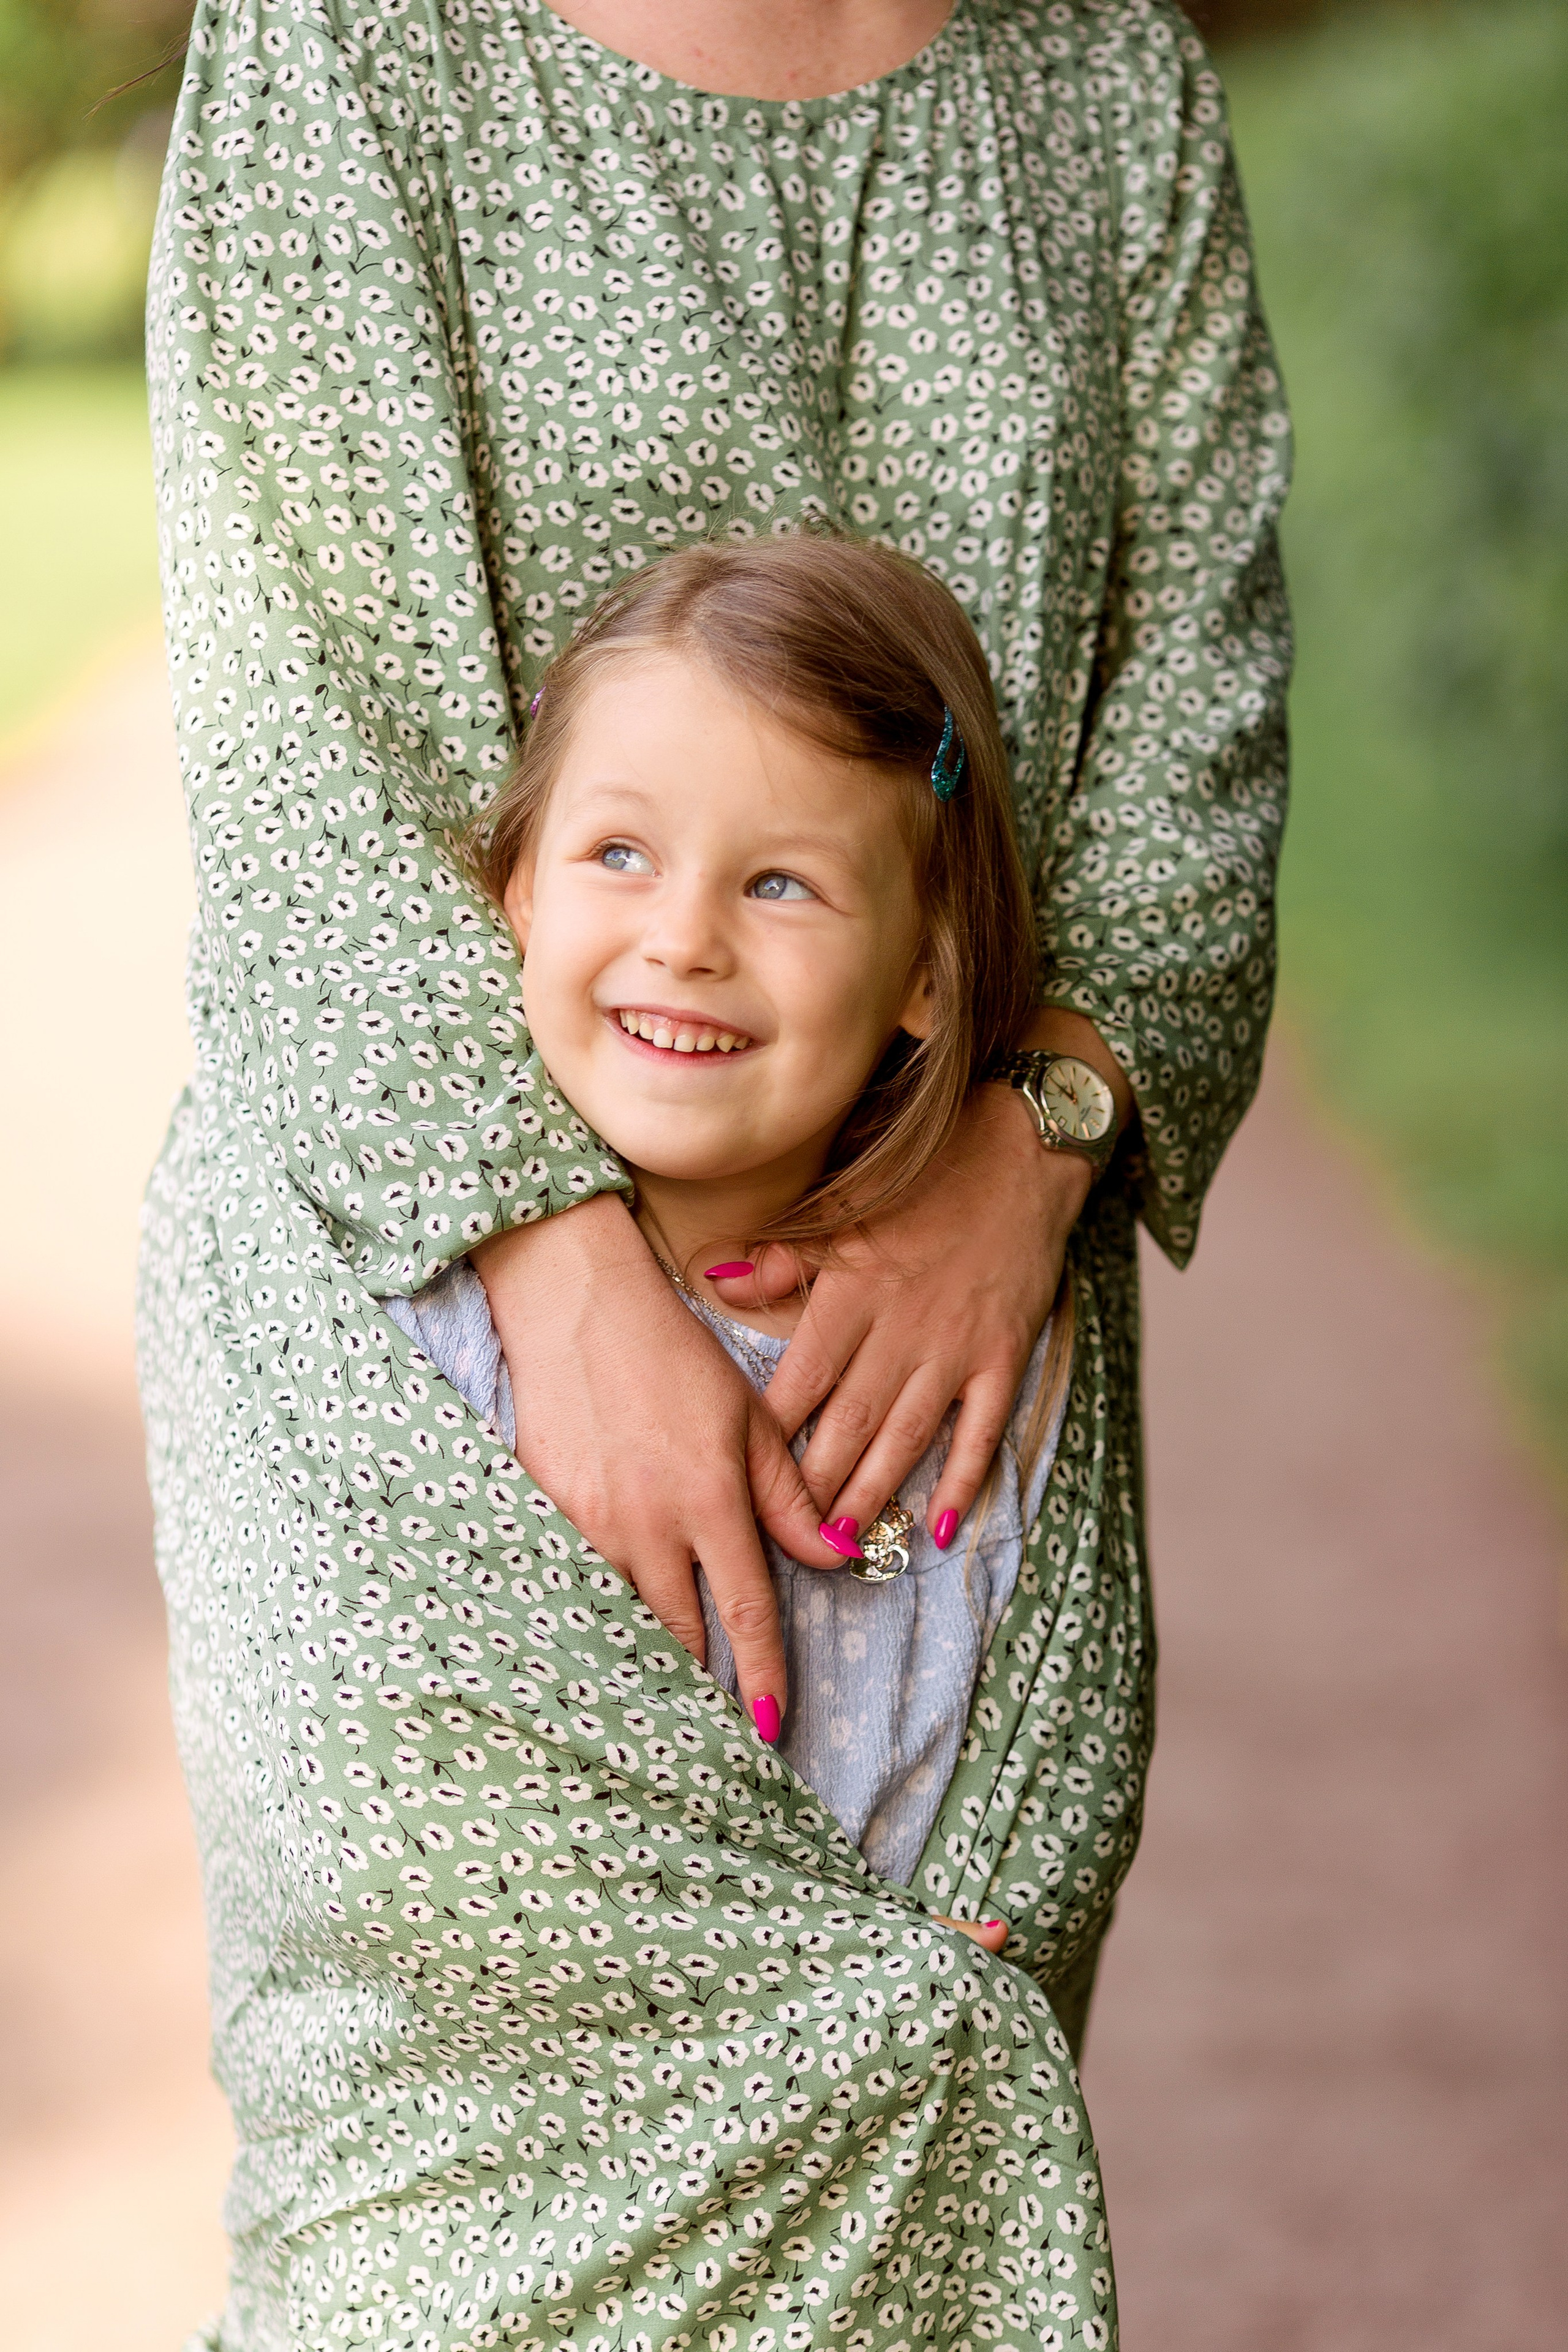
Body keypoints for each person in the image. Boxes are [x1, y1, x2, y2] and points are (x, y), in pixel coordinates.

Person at [140, 2, 1289, 2342]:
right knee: (433, 2235)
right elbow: (301, 736)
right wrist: (564, 1283)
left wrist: (1035, 1143)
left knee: (907, 2165)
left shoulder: (1109, 77)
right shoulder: (357, 42)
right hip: (435, 1340)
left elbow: (1198, 706)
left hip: (954, 1344)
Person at [391, 530, 1078, 1924]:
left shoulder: (977, 1338)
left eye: (778, 884)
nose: (685, 938)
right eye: (619, 853)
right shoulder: (436, 1327)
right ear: (520, 893)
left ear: (926, 971)